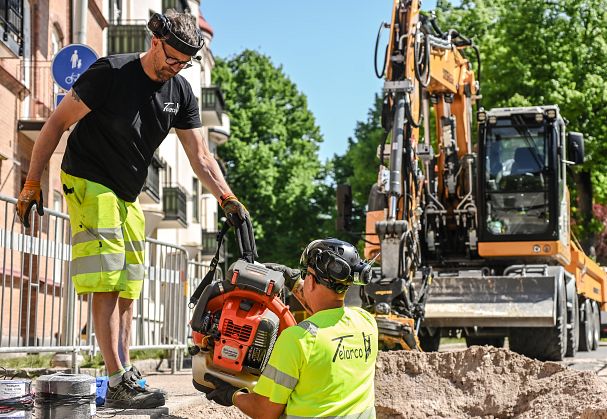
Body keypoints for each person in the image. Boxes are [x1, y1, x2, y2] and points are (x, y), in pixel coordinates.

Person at [15, 11, 249, 409]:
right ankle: (114, 375)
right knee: (106, 276)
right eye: (173, 58)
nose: (176, 68)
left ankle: (125, 372)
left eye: (185, 63)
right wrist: (33, 180)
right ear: (155, 42)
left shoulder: (181, 93)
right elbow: (55, 125)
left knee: (129, 283)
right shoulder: (110, 73)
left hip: (126, 193)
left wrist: (227, 197)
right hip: (89, 179)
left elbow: (201, 156)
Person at [205, 238, 378, 419]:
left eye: (306, 275)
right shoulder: (366, 323)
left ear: (310, 281)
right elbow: (325, 312)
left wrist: (231, 394)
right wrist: (295, 281)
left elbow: (264, 411)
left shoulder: (297, 339)